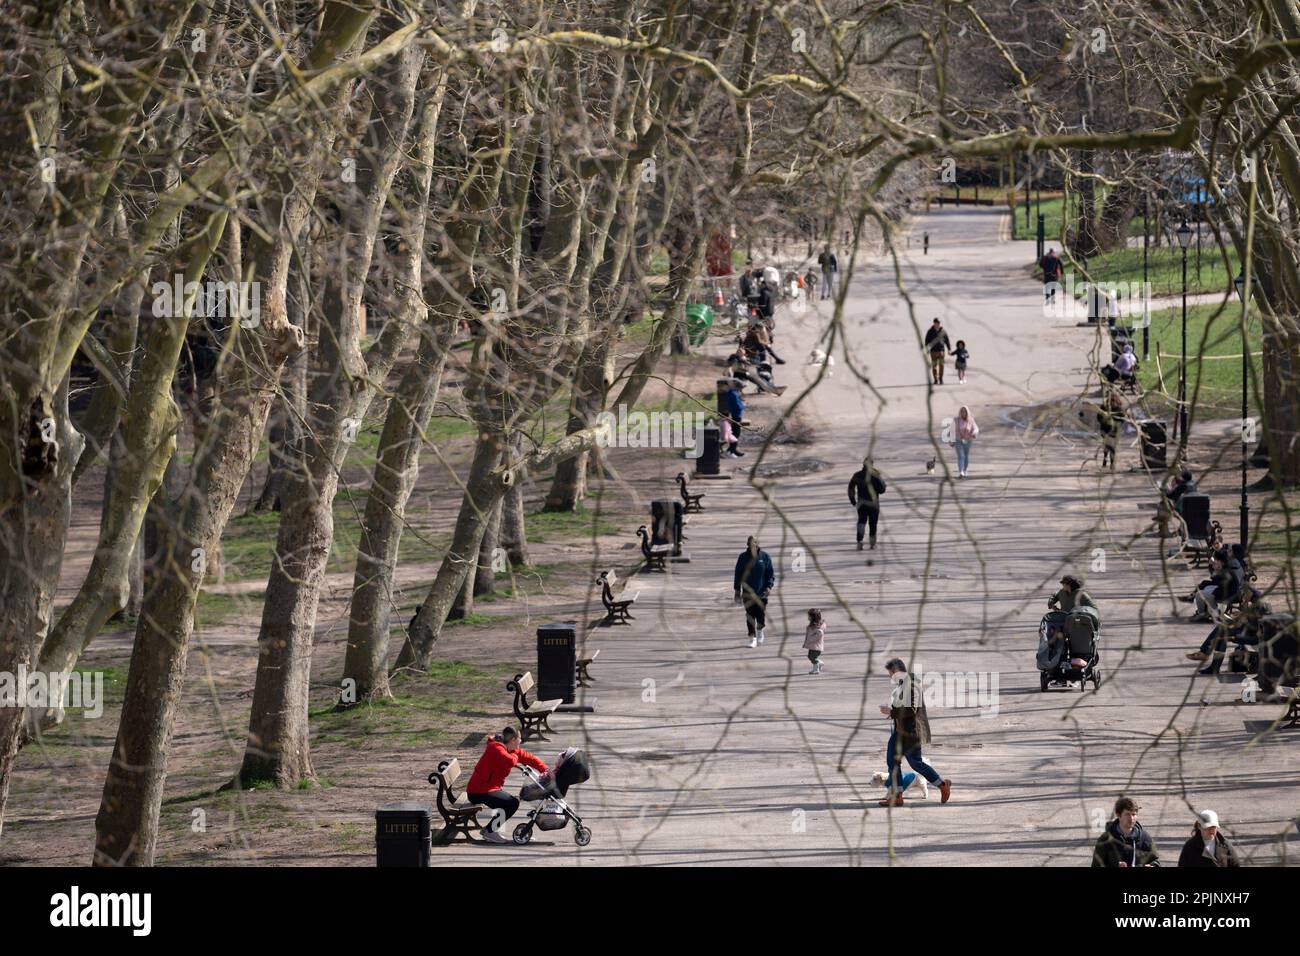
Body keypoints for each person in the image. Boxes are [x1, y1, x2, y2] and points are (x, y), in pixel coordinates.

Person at [877, 658, 951, 807]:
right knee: (892, 762)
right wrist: (891, 711)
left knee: (916, 763)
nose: (890, 676)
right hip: (898, 732)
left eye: (891, 673)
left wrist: (892, 712)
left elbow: (912, 709)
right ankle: (897, 796)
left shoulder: (912, 685)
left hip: (911, 733)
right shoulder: (902, 684)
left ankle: (942, 785)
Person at [466, 726, 549, 844]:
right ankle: (489, 832)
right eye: (518, 742)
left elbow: (529, 758)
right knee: (511, 803)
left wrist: (545, 770)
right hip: (478, 791)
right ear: (513, 740)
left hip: (488, 788)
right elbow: (509, 761)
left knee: (509, 801)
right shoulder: (494, 747)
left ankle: (491, 829)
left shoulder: (510, 749)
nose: (519, 747)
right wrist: (516, 757)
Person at [1092, 796, 1160, 867]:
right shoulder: (1104, 840)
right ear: (1118, 814)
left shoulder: (1145, 838)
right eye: (1127, 814)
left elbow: (1155, 861)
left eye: (1134, 814)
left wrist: (1152, 865)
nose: (1131, 818)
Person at [734, 536, 775, 648]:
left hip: (761, 592)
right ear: (747, 544)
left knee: (760, 615)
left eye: (754, 544)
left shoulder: (765, 557)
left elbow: (770, 573)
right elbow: (738, 575)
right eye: (750, 544)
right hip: (747, 592)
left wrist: (769, 586)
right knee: (750, 616)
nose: (752, 546)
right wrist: (737, 591)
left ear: (757, 545)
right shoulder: (743, 557)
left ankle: (760, 630)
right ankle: (752, 638)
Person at [847, 456, 887, 550]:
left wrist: (853, 501)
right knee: (873, 523)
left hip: (861, 503)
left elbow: (850, 488)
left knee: (861, 522)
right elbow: (882, 489)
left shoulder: (857, 475)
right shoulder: (875, 475)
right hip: (874, 504)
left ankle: (859, 542)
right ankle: (872, 543)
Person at [719, 379, 747, 457]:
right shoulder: (733, 394)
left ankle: (732, 449)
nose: (741, 390)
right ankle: (731, 450)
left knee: (734, 434)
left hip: (734, 416)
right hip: (735, 416)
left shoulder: (733, 393)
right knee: (735, 434)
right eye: (741, 388)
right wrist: (744, 405)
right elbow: (738, 406)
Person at [1097, 391, 1123, 470]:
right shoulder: (1104, 407)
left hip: (1115, 431)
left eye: (1114, 400)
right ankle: (1105, 458)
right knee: (1106, 446)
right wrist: (1104, 420)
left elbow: (1122, 419)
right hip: (1105, 430)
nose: (1112, 402)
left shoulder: (1119, 408)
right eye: (1111, 400)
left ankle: (1112, 463)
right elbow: (1098, 417)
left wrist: (1115, 422)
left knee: (1113, 447)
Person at [952, 404, 978, 477]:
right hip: (958, 440)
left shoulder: (971, 420)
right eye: (962, 411)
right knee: (961, 456)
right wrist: (950, 440)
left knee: (966, 455)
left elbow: (976, 428)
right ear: (960, 412)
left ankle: (965, 470)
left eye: (965, 412)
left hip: (968, 440)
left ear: (967, 412)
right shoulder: (956, 420)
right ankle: (961, 471)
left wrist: (974, 433)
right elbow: (951, 430)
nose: (963, 413)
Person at [924, 318, 952, 385]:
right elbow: (927, 341)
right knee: (934, 366)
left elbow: (947, 341)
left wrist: (949, 349)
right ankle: (936, 379)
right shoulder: (930, 331)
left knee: (941, 366)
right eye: (936, 322)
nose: (937, 324)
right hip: (933, 352)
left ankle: (941, 379)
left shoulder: (943, 331)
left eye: (938, 323)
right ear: (934, 323)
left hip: (941, 351)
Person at [803, 608, 826, 674]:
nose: (808, 617)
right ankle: (818, 665)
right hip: (813, 645)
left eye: (809, 616)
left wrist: (810, 639)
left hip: (816, 646)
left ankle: (817, 667)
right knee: (811, 656)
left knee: (812, 657)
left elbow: (820, 634)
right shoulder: (814, 625)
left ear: (813, 617)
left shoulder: (817, 626)